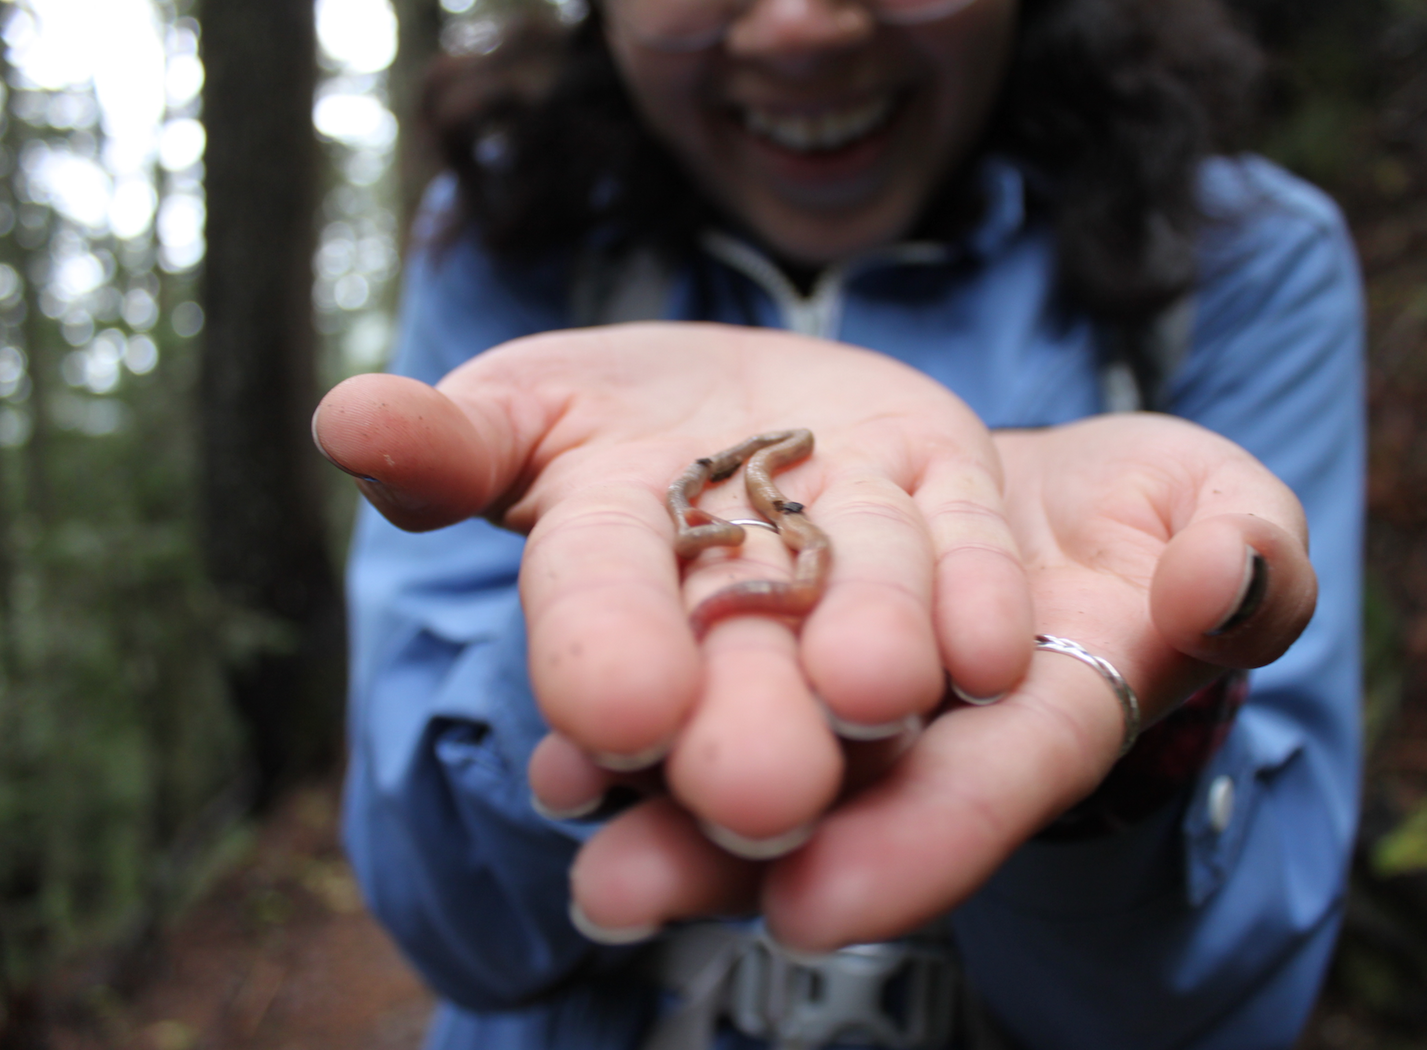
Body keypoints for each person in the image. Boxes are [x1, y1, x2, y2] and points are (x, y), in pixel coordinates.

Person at [311, 0, 1365, 1047]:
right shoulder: (509, 229)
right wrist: (570, 671)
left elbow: (1229, 998)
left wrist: (1126, 756)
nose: (799, 27)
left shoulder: (1238, 258)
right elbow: (451, 923)